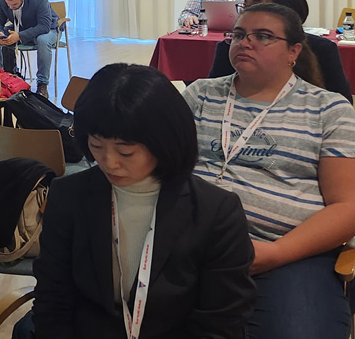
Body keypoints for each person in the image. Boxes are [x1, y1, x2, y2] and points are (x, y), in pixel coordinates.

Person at [182, 3, 355, 339]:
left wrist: (275, 253)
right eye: (239, 34)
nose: (245, 42)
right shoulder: (201, 95)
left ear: (293, 52)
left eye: (263, 36)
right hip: (189, 244)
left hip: (288, 252)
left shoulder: (327, 110)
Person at [29, 64, 256, 339]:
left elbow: (222, 320)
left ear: (164, 142)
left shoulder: (216, 212)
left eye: (126, 152)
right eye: (96, 146)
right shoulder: (68, 196)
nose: (109, 163)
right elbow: (53, 299)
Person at [207, 0, 352, 102]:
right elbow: (214, 94)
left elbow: (341, 102)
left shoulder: (322, 48)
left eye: (257, 5)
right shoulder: (229, 47)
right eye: (245, 6)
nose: (247, 12)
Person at [0, 0, 60, 99]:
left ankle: (42, 84)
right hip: (21, 27)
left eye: (14, 4)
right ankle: (2, 78)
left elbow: (44, 26)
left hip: (48, 29)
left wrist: (19, 36)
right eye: (8, 4)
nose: (11, 7)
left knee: (43, 41)